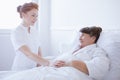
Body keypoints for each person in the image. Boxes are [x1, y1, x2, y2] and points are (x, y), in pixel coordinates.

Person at [4, 26, 109, 80]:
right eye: (79, 35)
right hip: (52, 69)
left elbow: (100, 69)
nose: (79, 38)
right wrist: (53, 62)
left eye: (83, 36)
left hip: (68, 75)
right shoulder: (74, 48)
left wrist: (70, 63)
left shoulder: (97, 51)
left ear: (93, 38)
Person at [11, 2, 49, 71]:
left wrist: (40, 66)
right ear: (23, 15)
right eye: (33, 15)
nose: (36, 18)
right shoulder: (16, 32)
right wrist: (48, 63)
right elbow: (28, 54)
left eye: (37, 16)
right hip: (21, 69)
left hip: (34, 68)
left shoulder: (34, 31)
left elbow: (38, 50)